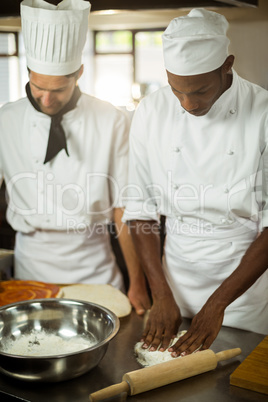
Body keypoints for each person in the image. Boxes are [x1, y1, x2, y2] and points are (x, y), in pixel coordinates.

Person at [123, 8, 268, 355]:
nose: (188, 103)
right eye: (177, 91)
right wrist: (162, 294)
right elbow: (141, 212)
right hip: (174, 282)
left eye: (200, 90)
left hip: (242, 290)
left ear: (227, 65)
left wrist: (218, 305)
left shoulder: (262, 112)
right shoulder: (150, 111)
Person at [0, 0, 150, 315]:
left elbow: (123, 208)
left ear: (78, 73)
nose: (45, 98)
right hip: (31, 267)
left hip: (95, 269)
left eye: (58, 89)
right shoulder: (5, 120)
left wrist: (137, 281)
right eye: (38, 87)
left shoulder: (111, 119)